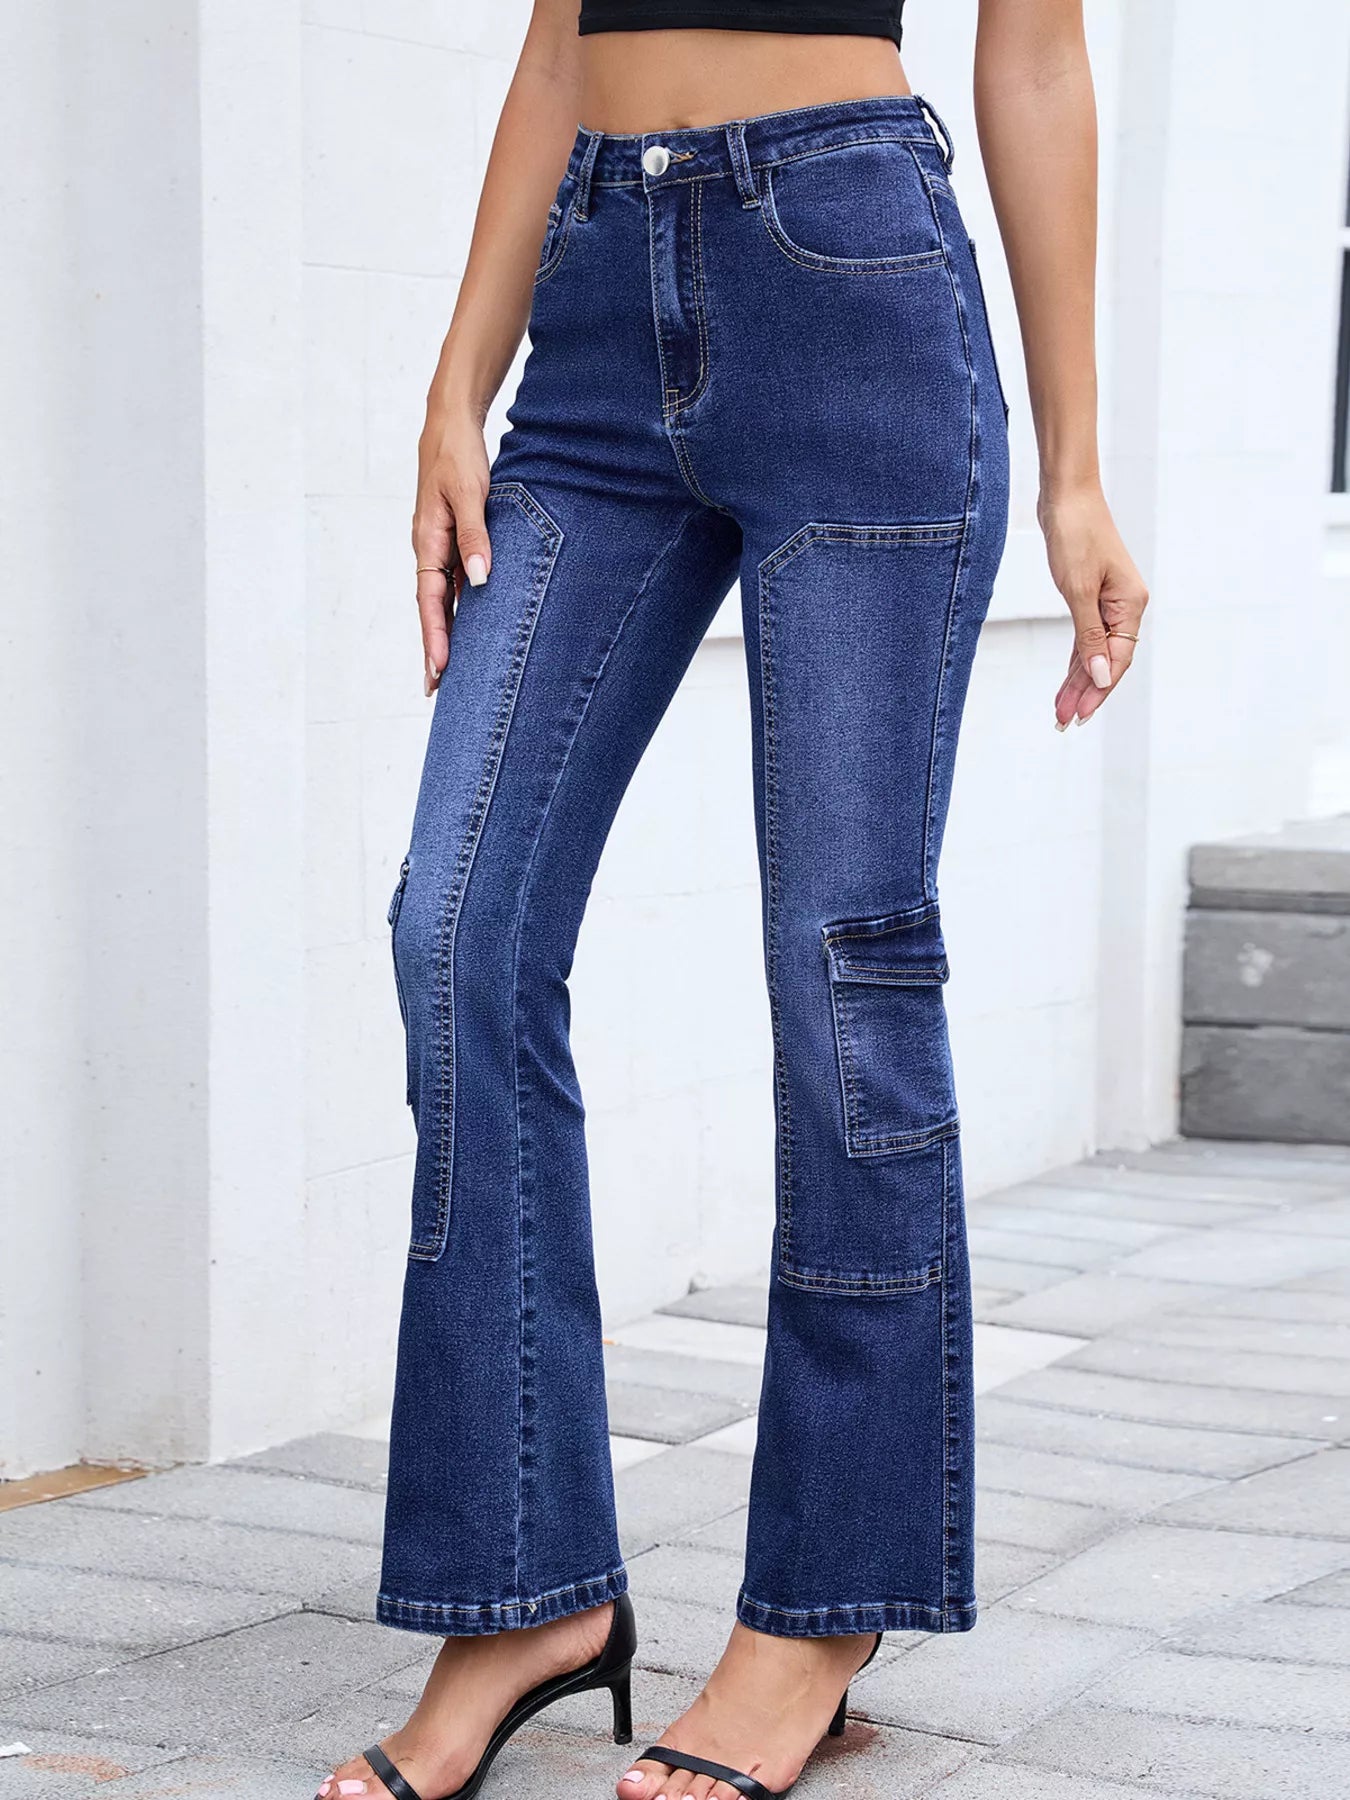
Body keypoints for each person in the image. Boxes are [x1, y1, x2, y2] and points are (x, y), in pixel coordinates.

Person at [316, 2, 1147, 1797]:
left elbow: (1033, 53)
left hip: (849, 277)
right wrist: (457, 386)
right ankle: (526, 1591)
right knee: (455, 924)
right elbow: (557, 45)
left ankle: (820, 1609)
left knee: (842, 967)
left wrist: (1076, 467)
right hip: (597, 304)